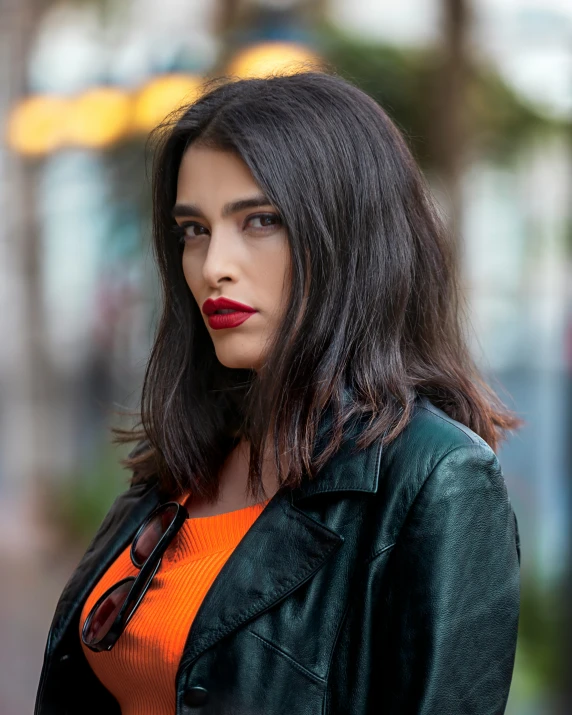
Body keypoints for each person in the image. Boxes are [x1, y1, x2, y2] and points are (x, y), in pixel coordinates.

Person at [35, 70, 521, 715]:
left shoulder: (438, 482)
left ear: (349, 236)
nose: (213, 267)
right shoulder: (191, 458)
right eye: (193, 230)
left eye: (259, 221)